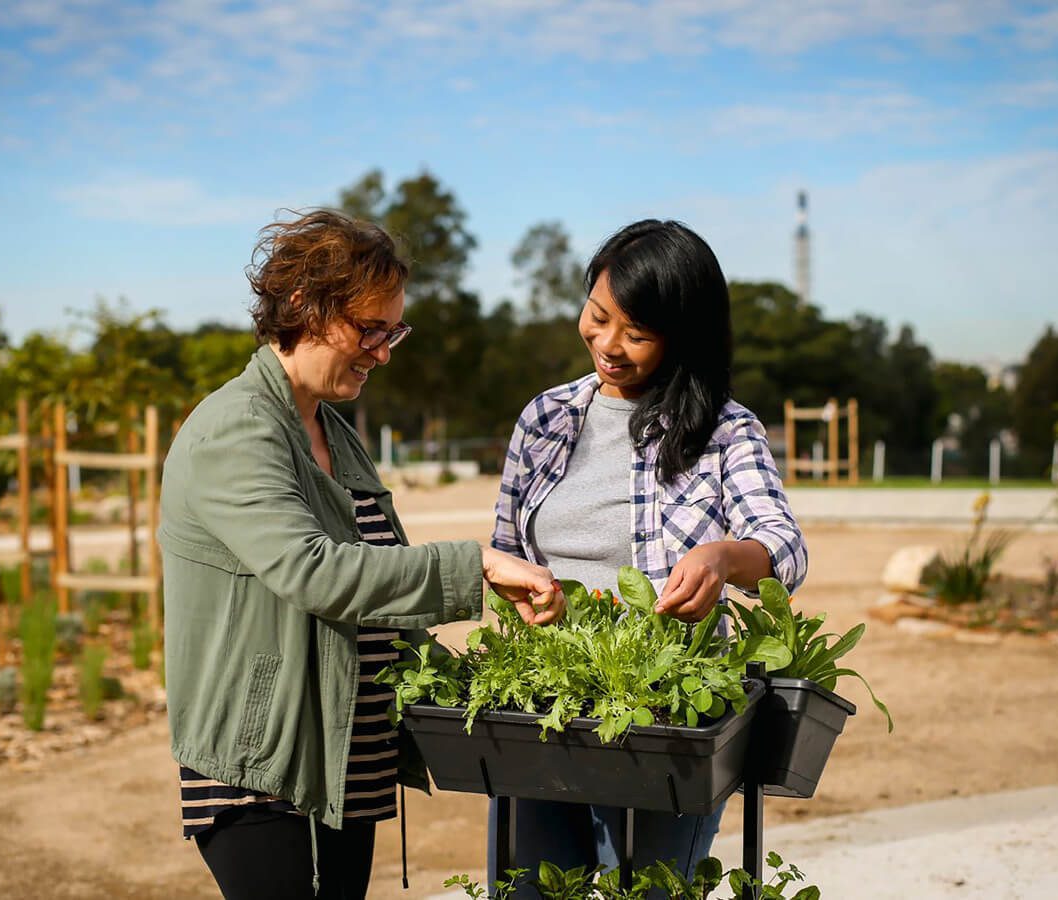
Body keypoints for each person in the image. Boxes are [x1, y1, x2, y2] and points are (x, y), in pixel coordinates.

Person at [159, 209, 564, 900]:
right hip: (266, 763)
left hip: (346, 755)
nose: (382, 352)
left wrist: (478, 689)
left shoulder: (332, 431)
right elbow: (313, 571)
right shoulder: (236, 431)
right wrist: (479, 565)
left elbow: (380, 596)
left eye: (392, 331)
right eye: (367, 330)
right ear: (302, 308)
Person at [489, 219, 808, 894]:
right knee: (536, 889)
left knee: (653, 889)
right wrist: (523, 600)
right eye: (598, 317)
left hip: (669, 720)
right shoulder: (543, 420)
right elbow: (506, 553)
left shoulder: (723, 428)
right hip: (550, 708)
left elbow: (784, 548)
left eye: (637, 334)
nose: (608, 345)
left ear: (682, 335)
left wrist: (723, 557)